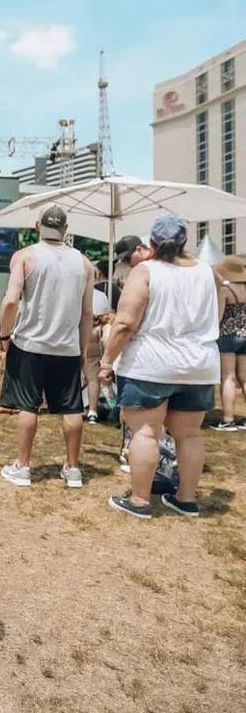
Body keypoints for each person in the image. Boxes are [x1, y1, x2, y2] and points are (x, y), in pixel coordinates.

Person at [102, 215, 220, 519]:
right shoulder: (208, 272)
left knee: (145, 432)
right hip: (199, 364)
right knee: (190, 434)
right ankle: (186, 498)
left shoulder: (145, 271)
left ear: (150, 243)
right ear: (185, 241)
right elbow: (215, 316)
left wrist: (106, 360)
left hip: (151, 363)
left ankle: (140, 500)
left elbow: (125, 323)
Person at [0, 205, 94, 488]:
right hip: (67, 347)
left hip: (29, 343)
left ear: (37, 225)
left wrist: (5, 336)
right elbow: (87, 313)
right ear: (65, 230)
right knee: (72, 408)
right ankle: (73, 468)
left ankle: (22, 467)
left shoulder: (25, 256)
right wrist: (83, 354)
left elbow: (11, 301)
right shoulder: (85, 263)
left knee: (28, 406)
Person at [212, 256, 246, 431]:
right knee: (245, 378)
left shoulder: (225, 290)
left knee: (228, 378)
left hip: (228, 336)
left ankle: (228, 419)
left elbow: (218, 316)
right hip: (245, 335)